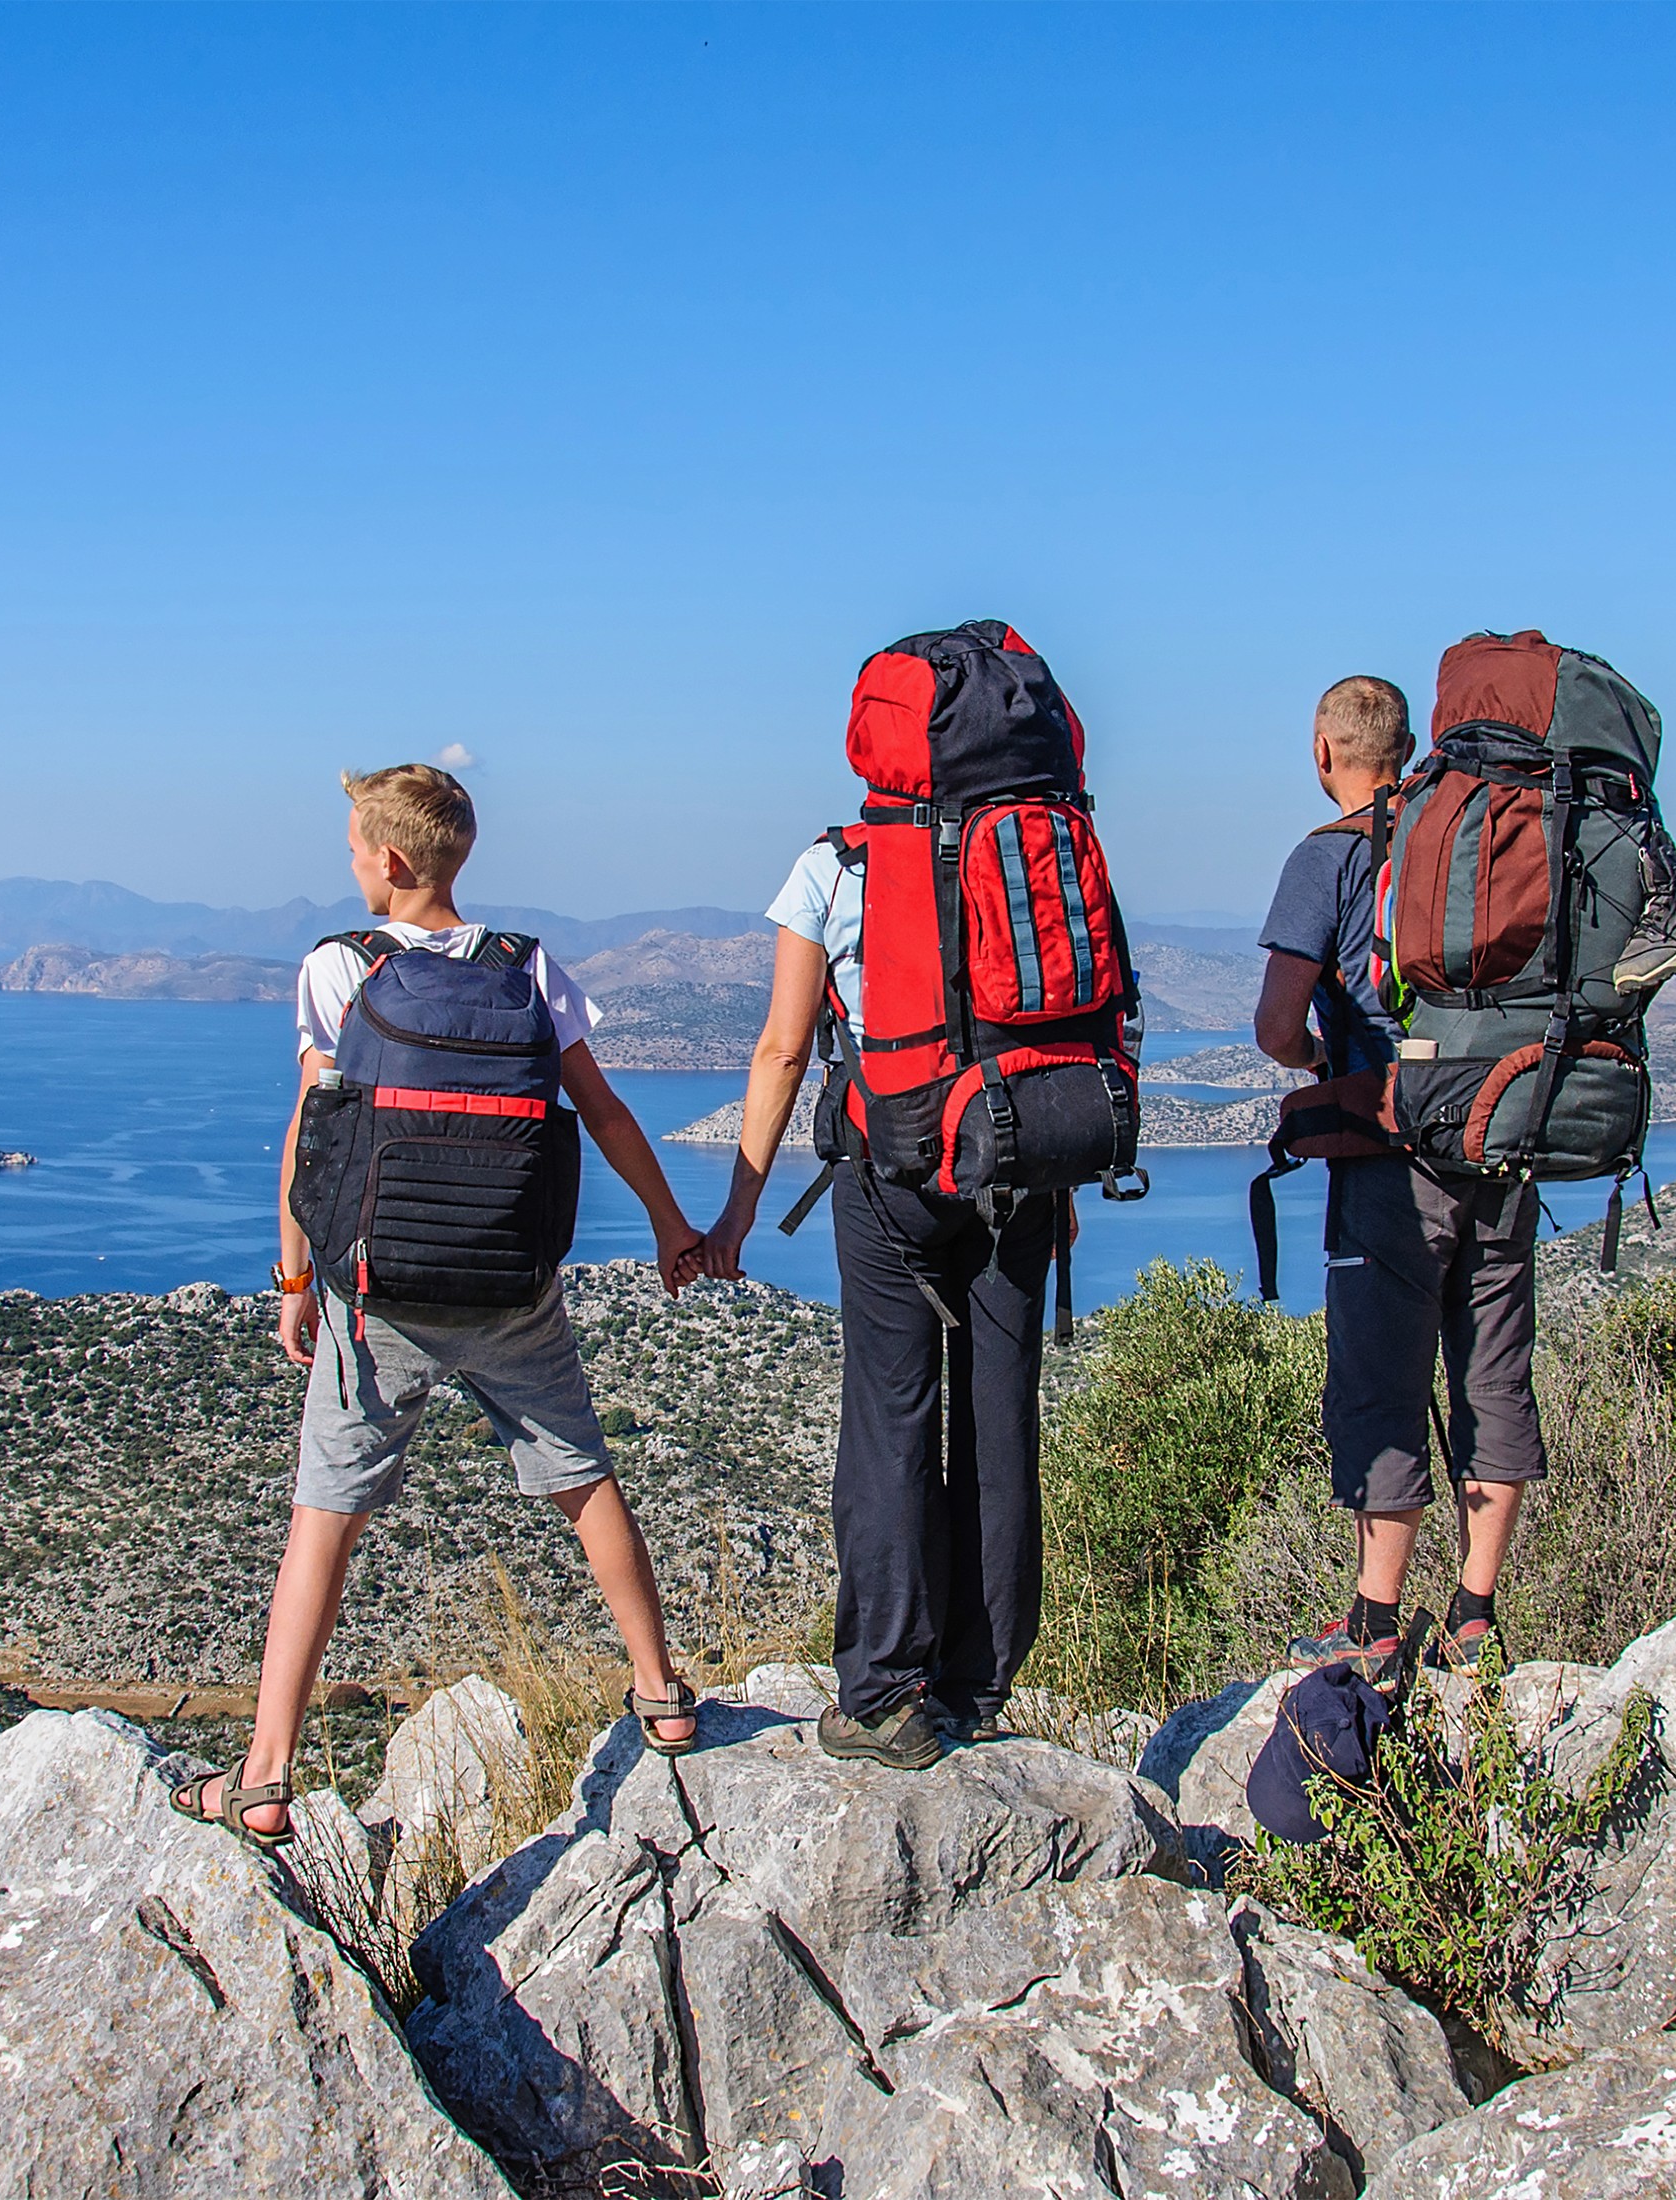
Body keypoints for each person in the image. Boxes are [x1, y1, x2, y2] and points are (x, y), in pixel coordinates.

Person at [173, 762, 709, 1846]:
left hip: (379, 1294)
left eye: (356, 848)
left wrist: (291, 1275)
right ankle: (661, 1691)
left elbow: (311, 1132)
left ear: (393, 859)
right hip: (511, 1283)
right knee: (583, 1479)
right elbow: (599, 1111)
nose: (352, 865)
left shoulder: (341, 967)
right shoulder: (527, 965)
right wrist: (667, 1223)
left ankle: (266, 1773)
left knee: (323, 1519)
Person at [699, 728, 1072, 1774]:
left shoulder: (836, 861)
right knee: (999, 1417)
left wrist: (737, 1212)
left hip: (892, 1171)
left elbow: (781, 1045)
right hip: (1020, 1172)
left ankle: (883, 1692)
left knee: (892, 1417)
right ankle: (980, 1682)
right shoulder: (1038, 844)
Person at [1253, 675, 1545, 1671]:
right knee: (1494, 1373)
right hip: (1506, 1133)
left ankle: (1376, 1624)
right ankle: (1475, 1614)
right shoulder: (1484, 842)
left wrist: (1319, 1067)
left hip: (1391, 1158)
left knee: (1381, 1378)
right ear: (1414, 746)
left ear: (1323, 750)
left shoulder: (1326, 858)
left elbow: (1275, 1026)